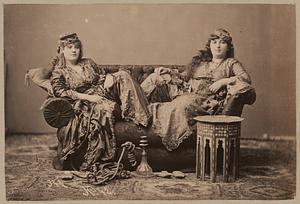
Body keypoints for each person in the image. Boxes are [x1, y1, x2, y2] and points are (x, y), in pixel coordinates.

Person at [141, 28, 256, 151]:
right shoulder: (200, 62)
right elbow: (184, 77)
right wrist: (168, 71)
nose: (218, 46)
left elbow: (245, 79)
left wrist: (224, 81)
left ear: (228, 47)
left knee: (183, 104)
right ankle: (138, 109)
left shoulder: (230, 63)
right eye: (214, 42)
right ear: (209, 45)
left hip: (205, 101)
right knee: (155, 78)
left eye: (222, 42)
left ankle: (157, 114)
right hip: (186, 92)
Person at [50, 32, 151, 171]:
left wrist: (109, 77)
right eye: (70, 47)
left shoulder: (88, 62)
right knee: (103, 111)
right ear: (62, 50)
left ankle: (141, 118)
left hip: (105, 91)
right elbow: (61, 92)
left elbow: (102, 75)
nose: (74, 50)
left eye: (77, 47)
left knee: (122, 75)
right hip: (86, 101)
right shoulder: (59, 72)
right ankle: (101, 155)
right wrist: (89, 98)